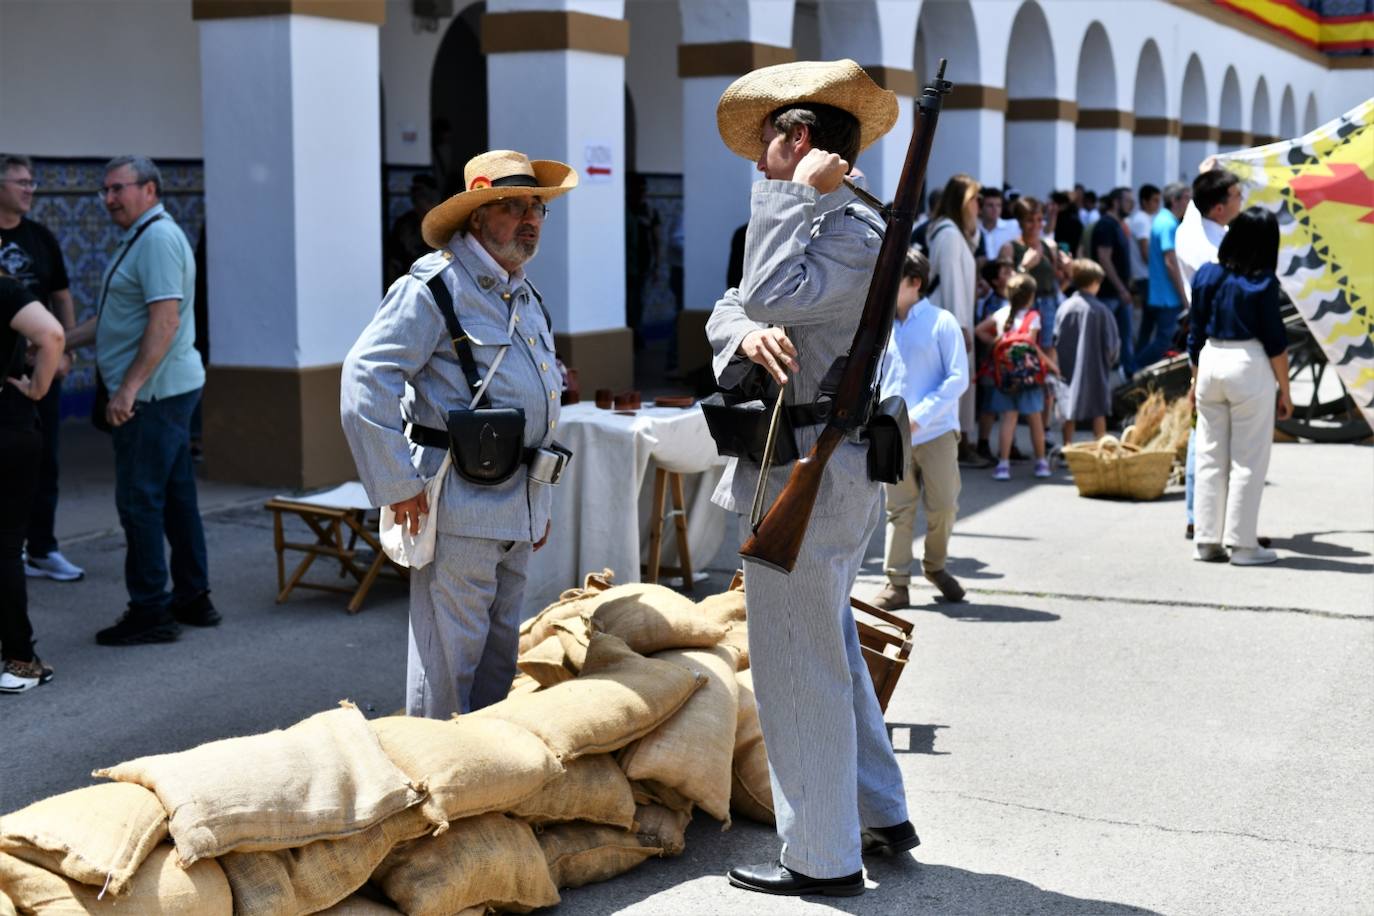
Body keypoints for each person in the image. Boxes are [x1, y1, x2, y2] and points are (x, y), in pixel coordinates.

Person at [706, 58, 915, 898]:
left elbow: (761, 288)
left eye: (770, 149)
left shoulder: (848, 230)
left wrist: (800, 198)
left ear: (801, 142)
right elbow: (739, 301)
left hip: (819, 468)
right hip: (807, 462)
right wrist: (745, 334)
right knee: (827, 644)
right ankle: (877, 810)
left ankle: (821, 855)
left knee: (797, 662)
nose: (761, 166)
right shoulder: (827, 225)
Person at [341, 149, 575, 718]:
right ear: (476, 218)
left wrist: (533, 506)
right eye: (512, 206)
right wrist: (398, 484)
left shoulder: (523, 291)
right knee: (449, 666)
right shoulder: (433, 288)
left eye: (538, 208)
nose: (530, 219)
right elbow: (364, 378)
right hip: (459, 503)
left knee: (499, 660)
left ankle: (487, 781)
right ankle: (441, 782)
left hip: (516, 503)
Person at [63, 156, 215, 645]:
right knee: (173, 498)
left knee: (139, 501)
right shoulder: (144, 237)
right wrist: (59, 339)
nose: (109, 199)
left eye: (117, 189)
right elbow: (114, 318)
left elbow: (164, 322)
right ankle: (192, 597)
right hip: (164, 390)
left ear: (149, 189)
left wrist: (127, 389)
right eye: (104, 191)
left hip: (154, 395)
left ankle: (151, 611)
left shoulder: (157, 240)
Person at [1188, 207, 1291, 566]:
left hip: (1210, 359)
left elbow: (1195, 332)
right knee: (1248, 459)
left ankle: (1206, 540)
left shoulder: (1205, 276)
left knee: (1210, 455)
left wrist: (1195, 375)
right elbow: (1276, 342)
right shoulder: (1262, 283)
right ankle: (1243, 545)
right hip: (1248, 364)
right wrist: (1286, 390)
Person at [0, 154, 84, 583]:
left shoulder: (41, 237)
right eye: (20, 182)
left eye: (32, 182)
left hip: (40, 368)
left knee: (43, 458)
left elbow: (62, 296)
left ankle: (43, 549)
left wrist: (65, 349)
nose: (30, 189)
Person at [870, 249, 968, 611]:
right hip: (892, 434)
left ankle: (936, 567)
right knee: (898, 509)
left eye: (893, 277)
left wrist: (920, 416)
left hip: (936, 431)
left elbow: (958, 377)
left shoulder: (942, 322)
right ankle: (896, 582)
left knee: (943, 506)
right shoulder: (881, 324)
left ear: (915, 283)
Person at [0, 272, 64, 692]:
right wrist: (38, 388)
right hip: (8, 425)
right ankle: (20, 660)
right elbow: (52, 334)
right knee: (5, 546)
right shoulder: (5, 290)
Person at [1176, 167, 1244, 541]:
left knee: (1209, 432)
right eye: (1235, 196)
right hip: (1213, 341)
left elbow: (1193, 206)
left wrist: (1208, 170)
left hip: (1211, 341)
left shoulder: (1200, 228)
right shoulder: (1207, 245)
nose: (1241, 202)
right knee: (1208, 433)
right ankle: (1198, 515)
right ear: (1218, 208)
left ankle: (1204, 514)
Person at [927, 173, 987, 467]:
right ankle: (957, 445)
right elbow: (951, 282)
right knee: (954, 382)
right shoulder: (949, 234)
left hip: (958, 317)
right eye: (975, 199)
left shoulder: (956, 233)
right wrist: (961, 327)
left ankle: (962, 442)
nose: (980, 204)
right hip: (953, 319)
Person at [976, 273, 1058, 480]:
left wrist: (997, 341)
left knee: (1008, 419)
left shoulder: (1001, 314)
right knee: (1035, 420)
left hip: (1004, 377)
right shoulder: (1033, 317)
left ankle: (1003, 464)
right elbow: (1031, 347)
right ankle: (1041, 462)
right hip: (1028, 379)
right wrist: (1051, 366)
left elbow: (979, 331)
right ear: (1030, 296)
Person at [999, 195, 1068, 432]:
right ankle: (1017, 427)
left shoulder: (1049, 246)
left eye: (1040, 219)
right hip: (1022, 310)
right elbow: (1004, 284)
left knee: (1046, 366)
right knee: (1019, 361)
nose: (1037, 225)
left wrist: (1068, 270)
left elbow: (1060, 281)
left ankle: (1044, 428)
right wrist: (1022, 268)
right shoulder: (1011, 248)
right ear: (1020, 221)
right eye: (1030, 220)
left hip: (1048, 307)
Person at [1053, 259, 1119, 446]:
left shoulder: (1065, 307)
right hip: (1096, 367)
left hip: (1069, 367)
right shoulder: (1101, 310)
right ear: (1095, 283)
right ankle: (1101, 447)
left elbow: (1056, 337)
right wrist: (1110, 360)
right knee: (1098, 410)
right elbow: (1112, 344)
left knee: (1069, 408)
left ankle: (1067, 447)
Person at [1136, 182, 1192, 369]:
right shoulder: (1168, 224)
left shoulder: (1163, 220)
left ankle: (1133, 369)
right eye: (1186, 197)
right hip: (1168, 297)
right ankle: (1132, 371)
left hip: (1161, 294)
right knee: (1164, 341)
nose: (1189, 201)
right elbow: (1170, 262)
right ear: (1174, 200)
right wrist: (1184, 296)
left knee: (1160, 339)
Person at [1092, 186, 1137, 376]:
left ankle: (1128, 376)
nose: (1131, 206)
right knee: (1104, 339)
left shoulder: (1118, 225)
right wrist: (1120, 288)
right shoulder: (1106, 225)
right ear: (1115, 202)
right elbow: (1104, 258)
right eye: (1127, 201)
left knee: (1125, 338)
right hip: (1109, 294)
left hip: (1120, 293)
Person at [974, 257, 1013, 462]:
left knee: (1008, 404)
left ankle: (1010, 445)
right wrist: (998, 341)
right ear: (995, 281)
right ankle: (983, 443)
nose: (1011, 275)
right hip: (992, 362)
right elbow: (985, 330)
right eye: (1005, 273)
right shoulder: (993, 303)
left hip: (1007, 363)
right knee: (989, 405)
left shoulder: (1012, 299)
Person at [384, 174, 442, 286]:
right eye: (415, 194)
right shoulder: (404, 224)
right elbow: (393, 262)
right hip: (411, 285)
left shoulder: (447, 221)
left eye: (422, 194)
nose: (417, 198)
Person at [1127, 183, 1160, 306]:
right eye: (1154, 200)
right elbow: (1145, 251)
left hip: (1145, 274)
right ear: (1144, 201)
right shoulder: (1142, 220)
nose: (1157, 204)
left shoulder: (1145, 218)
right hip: (1144, 275)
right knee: (1150, 315)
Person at [975, 186, 1018, 264]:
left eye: (998, 205)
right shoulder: (974, 230)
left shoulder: (1013, 226)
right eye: (990, 205)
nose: (995, 209)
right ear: (981, 208)